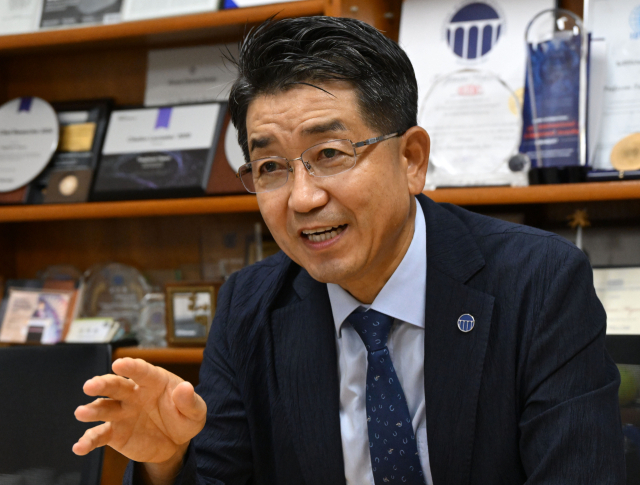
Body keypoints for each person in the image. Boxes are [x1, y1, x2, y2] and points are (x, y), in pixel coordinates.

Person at [73, 16, 625, 485]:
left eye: (331, 154)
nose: (303, 198)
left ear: (411, 160)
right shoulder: (249, 306)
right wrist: (168, 460)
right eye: (270, 167)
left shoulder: (538, 281)